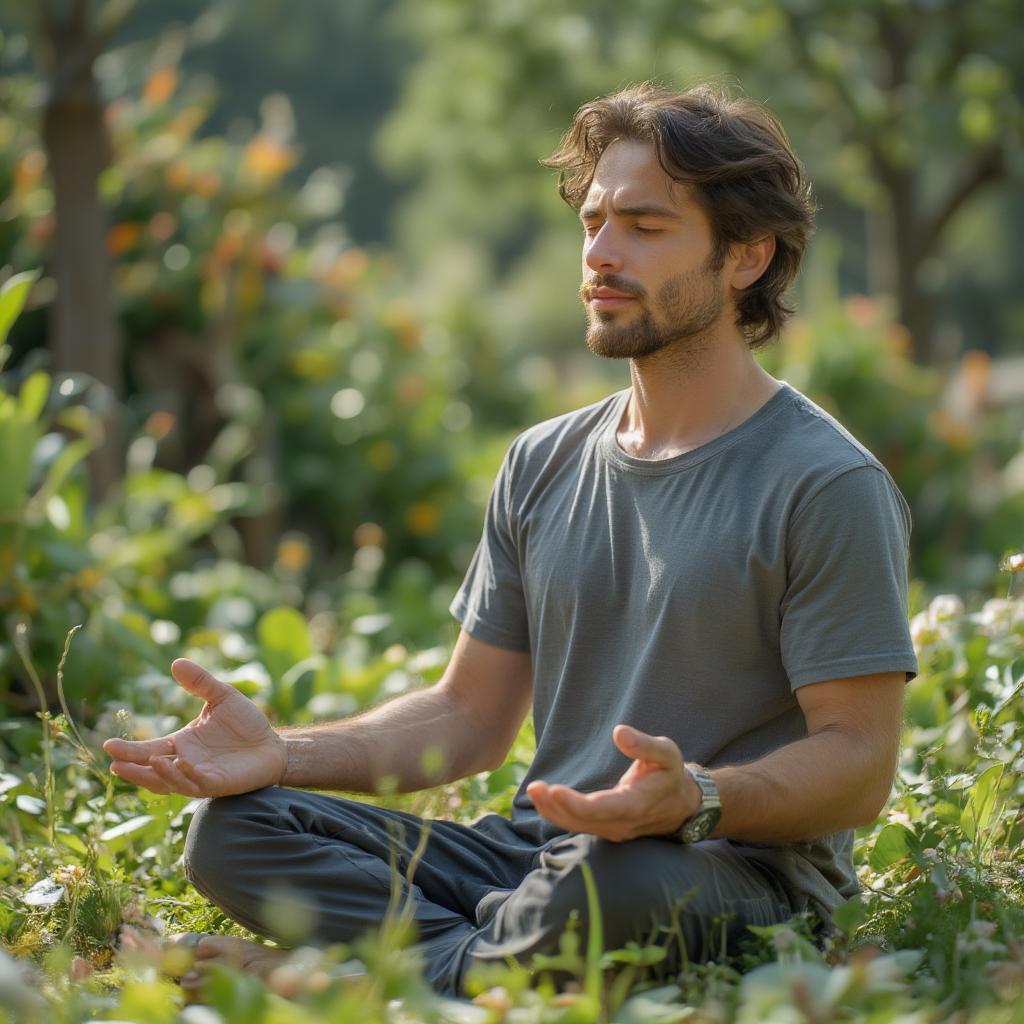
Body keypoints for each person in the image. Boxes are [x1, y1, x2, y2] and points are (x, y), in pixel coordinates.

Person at [103, 82, 918, 996]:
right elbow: (467, 720)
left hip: (718, 869)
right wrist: (282, 754)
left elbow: (857, 764)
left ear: (747, 257)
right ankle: (474, 967)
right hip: (537, 855)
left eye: (645, 227)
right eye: (595, 222)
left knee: (615, 885)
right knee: (235, 830)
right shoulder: (542, 460)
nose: (602, 255)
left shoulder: (824, 483)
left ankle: (356, 983)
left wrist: (699, 797)